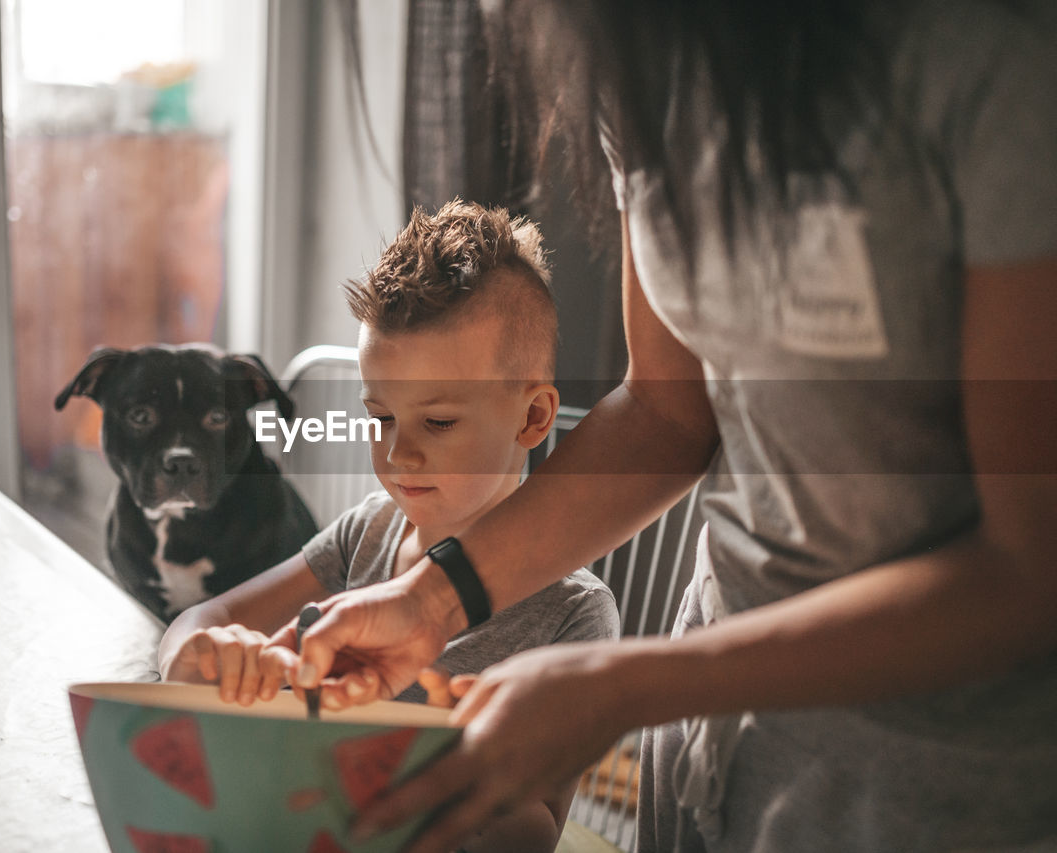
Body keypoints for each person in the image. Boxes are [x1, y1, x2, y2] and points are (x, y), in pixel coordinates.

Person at [277, 2, 1057, 852]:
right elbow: (664, 415)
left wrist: (625, 683)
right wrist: (429, 601)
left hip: (936, 776)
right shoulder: (647, 81)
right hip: (710, 747)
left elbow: (1029, 563)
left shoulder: (992, 62)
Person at [157, 199, 621, 853]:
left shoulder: (574, 613)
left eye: (438, 423)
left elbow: (536, 833)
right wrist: (197, 650)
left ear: (533, 417)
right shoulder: (365, 533)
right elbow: (204, 620)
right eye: (380, 418)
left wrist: (409, 765)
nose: (399, 454)